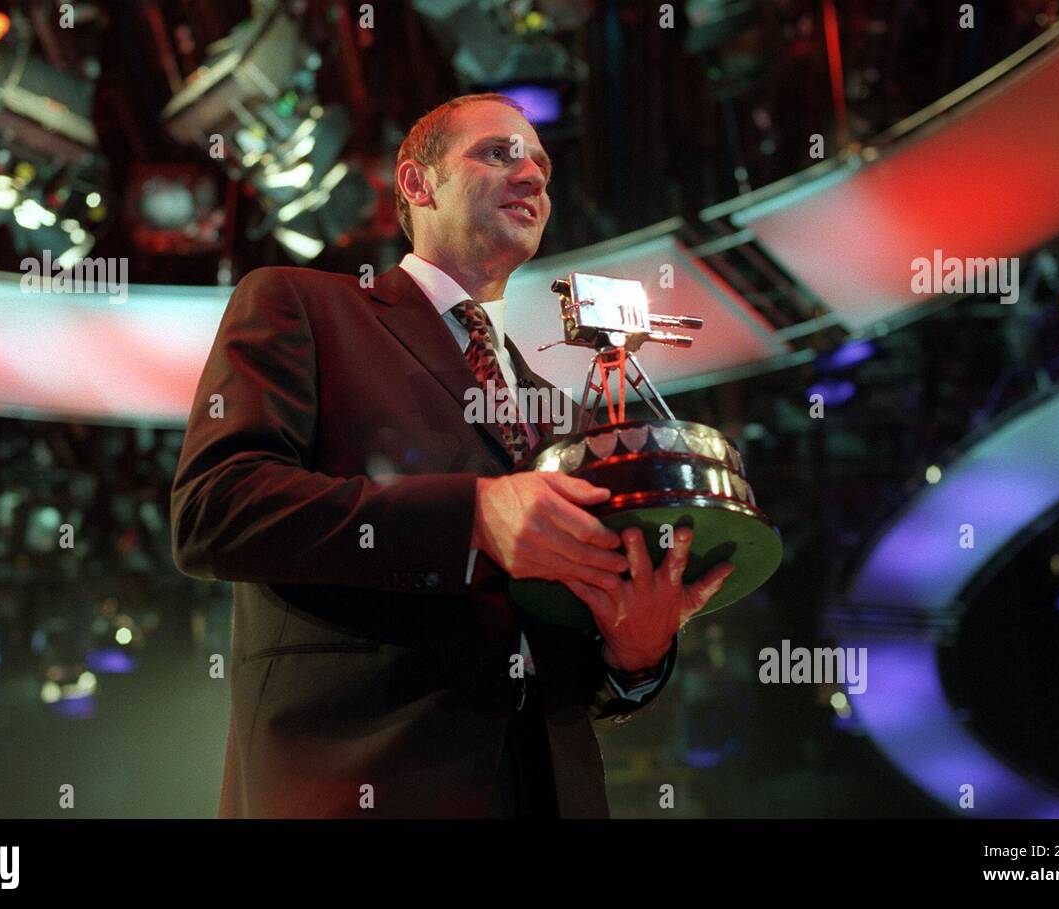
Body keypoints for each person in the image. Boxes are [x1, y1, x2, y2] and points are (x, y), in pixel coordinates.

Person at [170, 93, 733, 818]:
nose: (531, 174)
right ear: (416, 183)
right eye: (498, 152)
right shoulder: (299, 305)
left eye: (541, 163)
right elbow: (214, 509)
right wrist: (470, 517)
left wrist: (633, 655)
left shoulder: (558, 415)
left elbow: (562, 661)